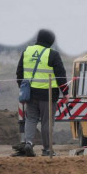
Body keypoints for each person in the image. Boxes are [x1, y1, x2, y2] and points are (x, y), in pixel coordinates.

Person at [16, 29, 69, 157]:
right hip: (48, 95)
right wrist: (65, 92)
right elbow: (61, 75)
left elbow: (19, 73)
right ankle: (47, 150)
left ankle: (28, 143)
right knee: (47, 122)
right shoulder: (53, 54)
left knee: (31, 119)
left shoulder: (26, 52)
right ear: (50, 41)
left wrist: (23, 88)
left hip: (31, 94)